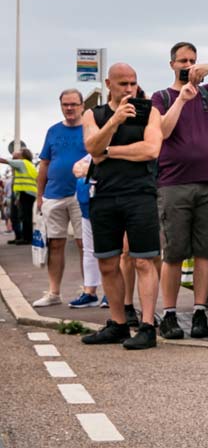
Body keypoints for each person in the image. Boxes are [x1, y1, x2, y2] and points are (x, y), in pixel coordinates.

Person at [150, 43, 208, 340]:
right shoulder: (161, 97)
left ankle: (201, 311)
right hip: (174, 184)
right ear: (171, 64)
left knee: (206, 251)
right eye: (182, 61)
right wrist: (180, 100)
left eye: (192, 61)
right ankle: (169, 314)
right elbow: (162, 132)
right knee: (174, 252)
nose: (188, 65)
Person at [80, 63, 165, 350]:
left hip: (139, 194)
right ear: (109, 84)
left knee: (143, 260)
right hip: (104, 194)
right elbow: (92, 147)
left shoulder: (150, 112)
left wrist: (110, 151)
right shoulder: (94, 114)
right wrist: (114, 122)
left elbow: (151, 150)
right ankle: (117, 324)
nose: (129, 89)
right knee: (107, 262)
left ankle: (148, 326)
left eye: (133, 83)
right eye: (123, 84)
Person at [33, 90, 90, 308]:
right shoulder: (53, 131)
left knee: (84, 244)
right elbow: (45, 164)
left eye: (74, 104)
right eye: (65, 105)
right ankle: (54, 292)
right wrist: (40, 195)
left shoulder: (89, 129)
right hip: (53, 195)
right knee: (55, 244)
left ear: (82, 105)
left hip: (80, 194)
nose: (69, 108)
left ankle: (89, 290)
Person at [69, 155, 104, 308]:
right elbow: (77, 167)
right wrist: (82, 166)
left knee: (111, 252)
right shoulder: (92, 150)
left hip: (106, 203)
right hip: (87, 204)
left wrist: (88, 168)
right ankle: (89, 292)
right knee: (88, 250)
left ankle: (111, 294)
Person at [7, 145, 36, 245]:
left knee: (25, 216)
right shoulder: (30, 165)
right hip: (29, 193)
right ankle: (25, 237)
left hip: (26, 193)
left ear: (23, 156)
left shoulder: (22, 162)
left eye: (19, 153)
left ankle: (27, 238)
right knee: (25, 216)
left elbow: (5, 161)